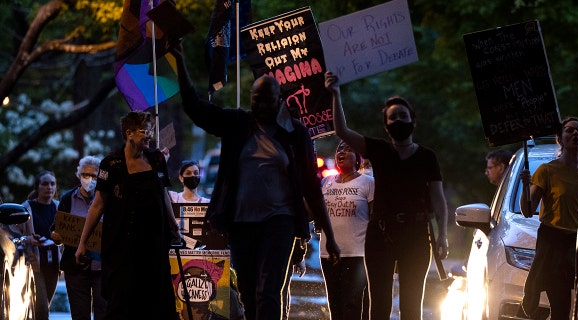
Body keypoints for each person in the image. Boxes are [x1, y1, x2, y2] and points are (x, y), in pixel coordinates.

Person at [172, 42, 340, 320]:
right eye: (256, 98)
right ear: (251, 97)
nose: (261, 104)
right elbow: (195, 108)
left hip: (280, 222)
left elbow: (311, 187)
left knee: (268, 291)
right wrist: (180, 61)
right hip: (241, 223)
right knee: (248, 292)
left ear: (279, 99)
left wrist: (330, 237)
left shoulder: (295, 133)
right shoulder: (237, 124)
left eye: (268, 99)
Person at [325, 71, 449, 319]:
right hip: (381, 236)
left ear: (413, 121)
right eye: (393, 118)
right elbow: (342, 130)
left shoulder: (427, 156)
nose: (398, 121)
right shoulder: (379, 150)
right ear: (386, 125)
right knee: (379, 305)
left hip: (415, 236)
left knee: (412, 306)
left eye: (403, 116)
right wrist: (335, 93)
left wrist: (443, 235)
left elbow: (438, 198)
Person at [75, 111, 179, 319]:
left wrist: (173, 225)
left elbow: (164, 193)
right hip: (122, 246)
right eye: (144, 131)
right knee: (122, 302)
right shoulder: (111, 164)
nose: (148, 135)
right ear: (129, 133)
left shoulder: (157, 158)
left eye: (150, 130)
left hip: (154, 244)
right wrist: (82, 242)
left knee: (156, 301)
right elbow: (98, 205)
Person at [519, 117, 578, 319]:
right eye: (569, 130)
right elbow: (528, 210)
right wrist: (526, 186)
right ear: (559, 139)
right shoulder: (547, 170)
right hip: (555, 246)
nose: (575, 134)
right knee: (561, 307)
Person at [320, 140, 374, 320]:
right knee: (334, 303)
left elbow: (375, 218)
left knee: (352, 303)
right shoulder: (326, 182)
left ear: (358, 159)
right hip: (328, 253)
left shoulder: (367, 183)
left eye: (348, 149)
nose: (342, 152)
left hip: (358, 253)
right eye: (339, 149)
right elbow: (314, 213)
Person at [51, 156, 107, 320]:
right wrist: (56, 236)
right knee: (79, 313)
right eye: (85, 174)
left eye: (94, 176)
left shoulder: (107, 199)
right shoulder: (68, 198)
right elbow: (57, 228)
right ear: (78, 175)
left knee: (103, 312)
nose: (89, 179)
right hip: (75, 266)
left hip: (102, 266)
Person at [17, 170, 61, 320]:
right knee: (42, 308)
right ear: (37, 187)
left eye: (52, 184)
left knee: (43, 306)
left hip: (54, 264)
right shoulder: (26, 208)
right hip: (34, 263)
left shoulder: (59, 207)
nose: (49, 187)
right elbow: (12, 235)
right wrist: (29, 239)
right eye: (45, 184)